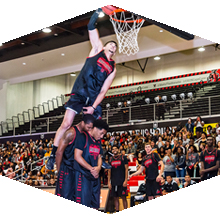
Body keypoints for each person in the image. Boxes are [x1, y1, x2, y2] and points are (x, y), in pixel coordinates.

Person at [46, 8, 117, 170]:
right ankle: (52, 154)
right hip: (79, 93)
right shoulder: (96, 50)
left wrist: (93, 107)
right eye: (111, 44)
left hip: (92, 99)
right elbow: (91, 27)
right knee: (66, 123)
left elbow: (103, 91)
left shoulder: (112, 68)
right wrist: (98, 11)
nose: (113, 46)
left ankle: (100, 157)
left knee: (97, 128)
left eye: (115, 46)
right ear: (105, 47)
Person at [55, 114, 95, 201]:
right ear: (83, 123)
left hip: (78, 170)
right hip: (67, 170)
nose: (90, 129)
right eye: (88, 127)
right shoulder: (71, 133)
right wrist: (59, 170)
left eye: (91, 128)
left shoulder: (86, 134)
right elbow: (59, 152)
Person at [74, 119, 109, 209]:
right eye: (101, 133)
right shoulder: (82, 136)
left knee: (95, 205)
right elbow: (77, 156)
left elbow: (99, 157)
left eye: (103, 135)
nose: (102, 136)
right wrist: (91, 169)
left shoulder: (98, 141)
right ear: (95, 128)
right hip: (83, 176)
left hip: (95, 176)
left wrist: (98, 167)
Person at [108, 146, 128, 212]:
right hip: (114, 181)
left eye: (115, 148)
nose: (114, 150)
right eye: (113, 149)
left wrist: (126, 180)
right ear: (112, 151)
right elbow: (109, 171)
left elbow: (126, 169)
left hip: (122, 181)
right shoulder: (110, 159)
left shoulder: (123, 157)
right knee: (115, 198)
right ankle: (117, 211)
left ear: (118, 149)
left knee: (123, 197)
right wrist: (108, 182)